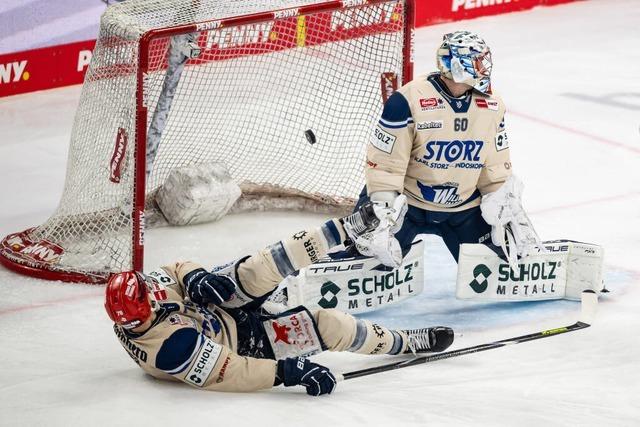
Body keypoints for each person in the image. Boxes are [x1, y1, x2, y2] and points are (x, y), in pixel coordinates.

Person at [105, 203, 454, 396]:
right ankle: (406, 342)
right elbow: (232, 372)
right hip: (246, 344)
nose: (154, 294)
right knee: (330, 325)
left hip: (215, 308)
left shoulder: (138, 299)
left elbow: (176, 267)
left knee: (260, 267)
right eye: (150, 299)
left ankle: (349, 228)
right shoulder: (171, 349)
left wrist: (196, 278)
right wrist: (287, 371)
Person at [361, 30, 542, 265]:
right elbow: (385, 165)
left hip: (463, 209)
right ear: (457, 64)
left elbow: (495, 164)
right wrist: (383, 211)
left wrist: (502, 201)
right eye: (477, 60)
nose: (484, 67)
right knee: (373, 263)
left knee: (499, 266)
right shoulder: (407, 100)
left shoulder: (493, 104)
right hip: (409, 206)